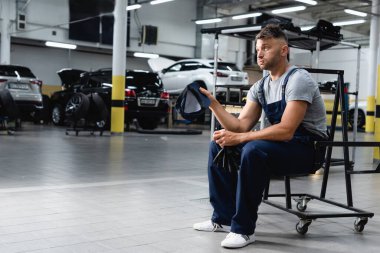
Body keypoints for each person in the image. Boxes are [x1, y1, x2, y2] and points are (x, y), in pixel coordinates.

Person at [193, 24, 328, 249]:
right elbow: (241, 125)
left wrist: (244, 138)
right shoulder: (260, 86)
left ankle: (243, 230)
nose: (260, 53)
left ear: (284, 50)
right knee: (219, 145)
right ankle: (223, 218)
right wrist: (213, 104)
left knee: (252, 149)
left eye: (266, 48)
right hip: (280, 145)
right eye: (258, 49)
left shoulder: (298, 79)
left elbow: (286, 129)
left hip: (307, 149)